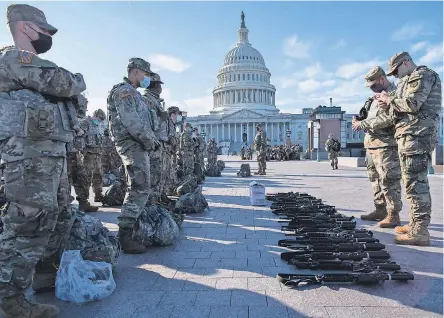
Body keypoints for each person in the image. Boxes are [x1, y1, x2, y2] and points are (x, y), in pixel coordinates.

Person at [0, 4, 86, 317]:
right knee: (27, 225)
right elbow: (64, 83)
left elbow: (73, 100)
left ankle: (41, 275)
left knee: (56, 219)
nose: (48, 36)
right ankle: (10, 298)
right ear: (25, 27)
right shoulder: (13, 57)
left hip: (50, 156)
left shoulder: (30, 65)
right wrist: (76, 80)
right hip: (28, 158)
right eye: (45, 30)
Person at [354, 52, 441, 246]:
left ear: (406, 63)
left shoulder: (422, 75)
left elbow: (412, 104)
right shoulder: (409, 80)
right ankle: (415, 226)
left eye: (396, 71)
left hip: (417, 136)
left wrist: (388, 100)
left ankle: (420, 231)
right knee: (411, 183)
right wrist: (388, 102)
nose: (395, 76)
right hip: (409, 137)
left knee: (416, 184)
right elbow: (396, 111)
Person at [107, 57, 160, 254]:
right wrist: (149, 141)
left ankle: (131, 229)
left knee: (141, 185)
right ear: (136, 72)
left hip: (137, 143)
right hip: (132, 144)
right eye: (146, 74)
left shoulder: (133, 93)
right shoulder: (124, 91)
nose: (147, 79)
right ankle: (124, 235)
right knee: (139, 186)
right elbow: (132, 122)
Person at [357, 66, 402, 228]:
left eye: (372, 85)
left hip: (386, 146)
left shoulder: (395, 94)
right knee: (375, 180)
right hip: (372, 145)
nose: (371, 88)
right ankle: (380, 209)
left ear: (381, 79)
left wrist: (363, 124)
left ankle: (393, 214)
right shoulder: (375, 98)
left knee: (389, 180)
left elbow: (389, 119)